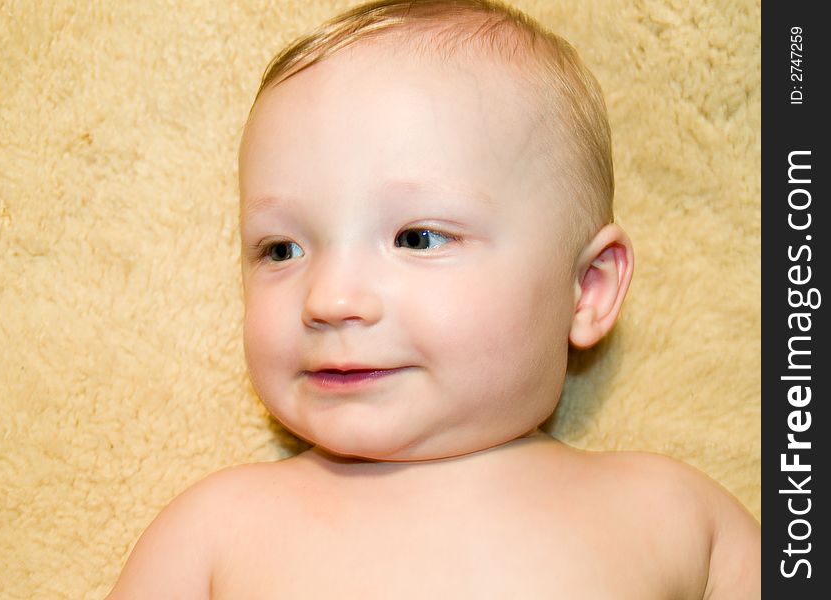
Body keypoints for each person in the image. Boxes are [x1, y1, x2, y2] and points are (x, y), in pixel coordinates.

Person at [107, 1, 760, 597]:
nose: (329, 299)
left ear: (586, 290)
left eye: (416, 237)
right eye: (281, 250)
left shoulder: (672, 514)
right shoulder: (215, 530)